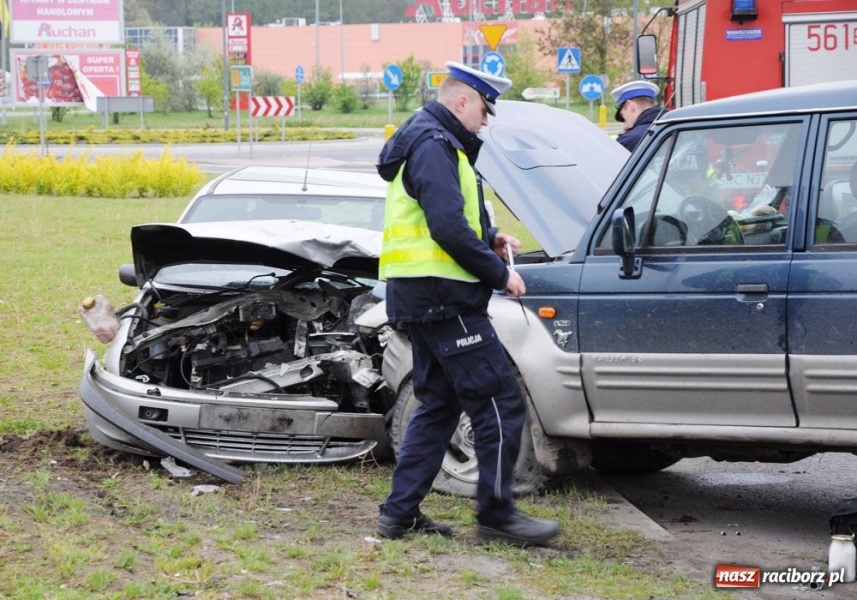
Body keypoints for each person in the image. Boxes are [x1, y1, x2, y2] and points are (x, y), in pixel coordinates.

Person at [374, 61, 560, 547]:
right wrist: (500, 273)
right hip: (444, 298)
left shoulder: (431, 140)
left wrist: (490, 236)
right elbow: (446, 228)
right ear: (461, 102)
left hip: (426, 295)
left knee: (439, 405)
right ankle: (497, 515)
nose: (485, 120)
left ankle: (399, 514)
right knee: (500, 401)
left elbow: (446, 218)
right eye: (483, 110)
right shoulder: (434, 144)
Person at [610, 80, 664, 152]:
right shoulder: (672, 124)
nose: (624, 126)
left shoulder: (629, 140)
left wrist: (627, 135)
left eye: (624, 118)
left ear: (630, 105)